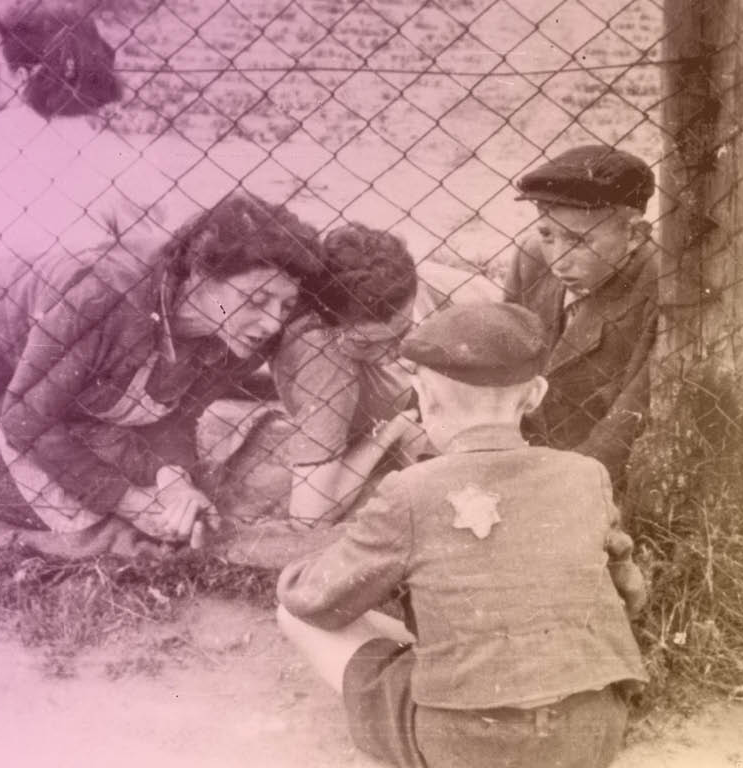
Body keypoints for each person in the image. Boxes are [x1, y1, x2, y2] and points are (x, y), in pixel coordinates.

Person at [276, 302, 649, 768]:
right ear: (534, 395)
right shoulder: (586, 474)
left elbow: (312, 601)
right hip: (590, 734)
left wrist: (311, 565)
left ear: (424, 397)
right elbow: (630, 594)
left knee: (297, 617)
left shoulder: (411, 491)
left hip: (470, 746)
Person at [0, 192, 324, 558]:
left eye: (286, 305)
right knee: (81, 507)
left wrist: (174, 482)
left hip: (21, 391)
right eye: (257, 300)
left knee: (109, 477)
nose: (273, 322)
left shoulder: (237, 331)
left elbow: (175, 414)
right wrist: (129, 501)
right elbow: (25, 418)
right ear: (200, 273)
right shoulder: (105, 296)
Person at [198, 223, 427, 533]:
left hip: (410, 399)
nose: (394, 353)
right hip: (403, 412)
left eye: (402, 330)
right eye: (367, 343)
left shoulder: (309, 312)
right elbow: (310, 518)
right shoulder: (328, 364)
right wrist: (389, 433)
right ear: (324, 319)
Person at [0, 3, 176, 259]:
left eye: (4, 69)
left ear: (22, 78)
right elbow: (146, 261)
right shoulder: (120, 164)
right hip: (71, 291)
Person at [504, 144, 659, 490]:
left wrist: (566, 489)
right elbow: (507, 365)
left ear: (634, 234)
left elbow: (629, 418)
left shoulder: (662, 286)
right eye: (547, 234)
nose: (558, 259)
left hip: (598, 477)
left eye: (578, 240)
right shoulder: (531, 257)